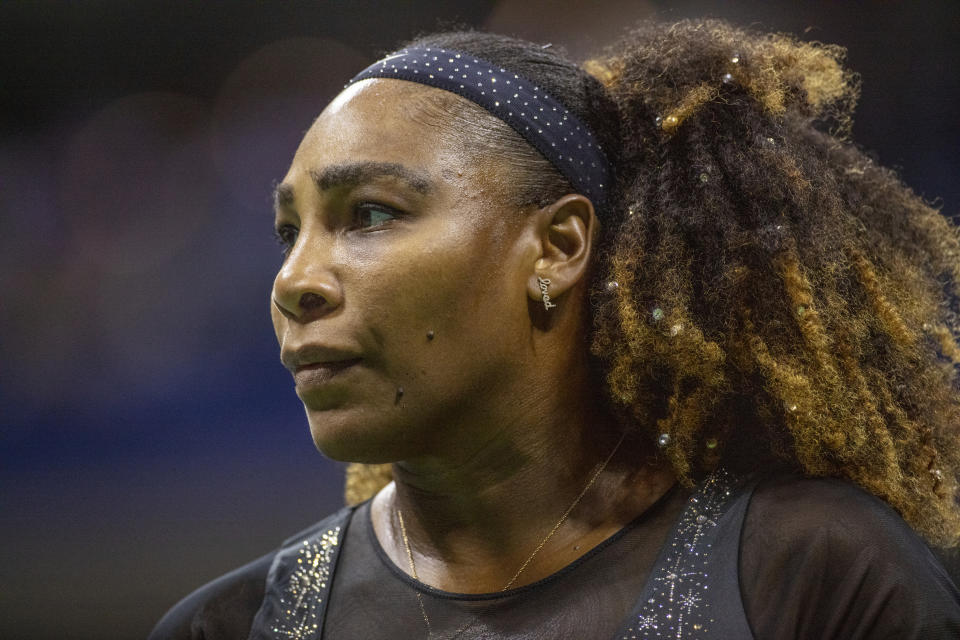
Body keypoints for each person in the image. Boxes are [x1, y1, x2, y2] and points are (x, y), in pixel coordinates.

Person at [148, 18, 960, 639]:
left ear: (558, 247)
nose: (293, 283)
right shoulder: (238, 622)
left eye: (368, 214)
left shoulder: (813, 575)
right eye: (290, 233)